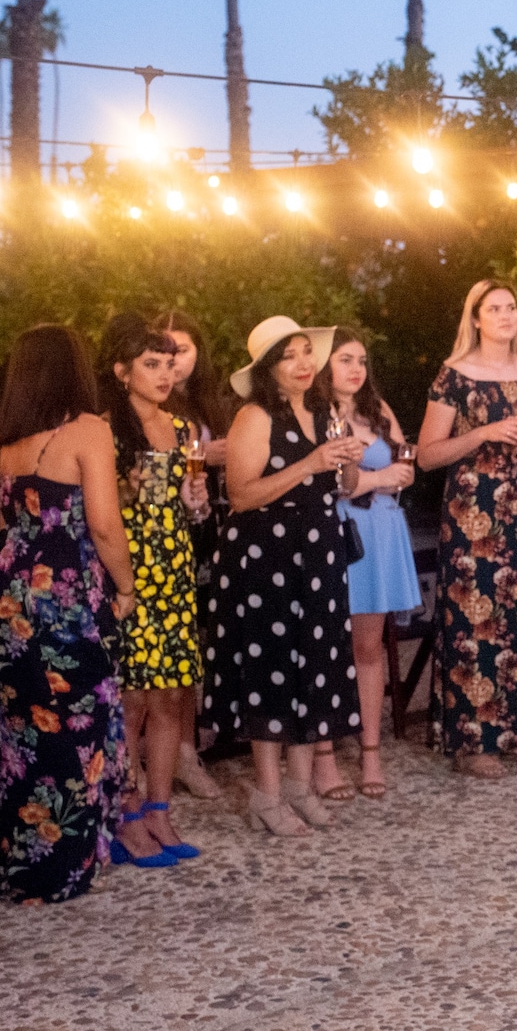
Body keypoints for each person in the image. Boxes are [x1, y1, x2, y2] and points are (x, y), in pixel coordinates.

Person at [0, 325, 142, 902]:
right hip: (62, 597)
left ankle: (24, 867)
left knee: (20, 735)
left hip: (3, 595)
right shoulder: (88, 430)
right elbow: (104, 523)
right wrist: (126, 588)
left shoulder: (10, 444)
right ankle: (67, 868)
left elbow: (4, 528)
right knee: (76, 725)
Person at [206, 316, 365, 835]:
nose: (303, 363)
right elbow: (241, 494)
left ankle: (299, 786)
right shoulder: (254, 416)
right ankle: (266, 795)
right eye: (289, 355)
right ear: (268, 369)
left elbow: (343, 484)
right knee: (270, 670)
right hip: (265, 556)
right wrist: (312, 462)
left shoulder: (323, 411)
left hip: (318, 550)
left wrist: (346, 464)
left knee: (314, 666)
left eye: (305, 352)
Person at [415, 280, 517, 779]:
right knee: (477, 618)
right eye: (494, 308)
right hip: (474, 511)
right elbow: (427, 453)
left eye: (512, 307)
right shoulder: (455, 375)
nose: (505, 315)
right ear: (475, 318)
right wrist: (484, 433)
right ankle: (474, 742)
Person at [102, 315, 206, 864]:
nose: (165, 374)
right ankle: (125, 813)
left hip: (174, 564)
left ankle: (161, 812)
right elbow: (104, 509)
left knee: (172, 692)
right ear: (122, 371)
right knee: (132, 698)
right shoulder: (104, 428)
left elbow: (191, 507)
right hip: (130, 570)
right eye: (151, 364)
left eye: (169, 364)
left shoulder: (182, 429)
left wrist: (195, 499)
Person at [317, 328, 420, 798]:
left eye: (361, 360)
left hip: (378, 531)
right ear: (324, 365)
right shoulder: (313, 415)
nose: (356, 368)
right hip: (332, 532)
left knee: (369, 646)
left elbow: (405, 462)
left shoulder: (376, 412)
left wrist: (392, 477)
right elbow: (327, 484)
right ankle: (322, 755)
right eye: (344, 359)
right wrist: (377, 477)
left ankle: (371, 751)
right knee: (323, 645)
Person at [155, 309, 233, 800]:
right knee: (174, 649)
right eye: (162, 354)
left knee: (201, 643)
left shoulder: (213, 402)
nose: (173, 363)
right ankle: (178, 750)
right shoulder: (145, 408)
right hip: (167, 528)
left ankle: (194, 742)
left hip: (214, 526)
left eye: (181, 351)